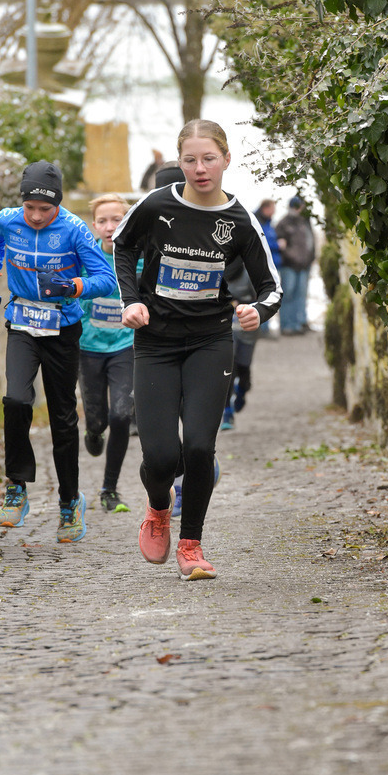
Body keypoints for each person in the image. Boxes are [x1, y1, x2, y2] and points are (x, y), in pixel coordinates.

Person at [112, 119, 282, 580]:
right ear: (180, 161)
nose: (200, 168)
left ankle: (191, 545)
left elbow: (272, 287)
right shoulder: (156, 204)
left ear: (227, 159)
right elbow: (121, 246)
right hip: (156, 343)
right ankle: (157, 507)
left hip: (210, 341)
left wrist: (257, 313)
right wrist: (131, 301)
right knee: (163, 455)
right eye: (190, 159)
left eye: (209, 158)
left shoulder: (239, 220)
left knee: (201, 447)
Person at [0, 160, 117, 542]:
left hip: (62, 328)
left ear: (58, 205)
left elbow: (104, 279)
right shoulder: (6, 220)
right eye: (31, 208)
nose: (37, 216)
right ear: (21, 203)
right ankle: (17, 488)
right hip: (23, 321)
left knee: (62, 418)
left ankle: (70, 502)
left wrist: (72, 287)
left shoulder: (73, 230)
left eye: (46, 209)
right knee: (16, 400)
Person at [78, 193, 138, 514]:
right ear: (94, 226)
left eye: (116, 219)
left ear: (127, 221)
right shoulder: (86, 259)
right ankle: (91, 429)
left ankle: (109, 489)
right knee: (98, 418)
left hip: (124, 347)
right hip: (88, 349)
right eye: (103, 221)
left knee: (121, 414)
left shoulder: (138, 260)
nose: (110, 226)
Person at [220, 256, 259, 431]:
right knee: (228, 368)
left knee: (243, 366)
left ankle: (243, 387)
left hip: (247, 329)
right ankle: (227, 412)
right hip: (226, 329)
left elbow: (262, 296)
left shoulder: (249, 273)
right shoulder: (215, 272)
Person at [275, 195, 315, 335]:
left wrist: (310, 258)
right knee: (288, 295)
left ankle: (298, 324)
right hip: (289, 265)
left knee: (300, 295)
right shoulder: (283, 223)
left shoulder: (304, 222)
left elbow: (310, 243)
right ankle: (287, 326)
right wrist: (293, 257)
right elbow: (281, 246)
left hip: (304, 265)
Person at [254, 198, 281, 340]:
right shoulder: (256, 221)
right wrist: (278, 245)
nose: (274, 212)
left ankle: (263, 328)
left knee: (269, 296)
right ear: (265, 208)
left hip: (271, 266)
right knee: (262, 296)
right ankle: (260, 328)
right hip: (259, 266)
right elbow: (262, 243)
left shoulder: (268, 223)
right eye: (273, 209)